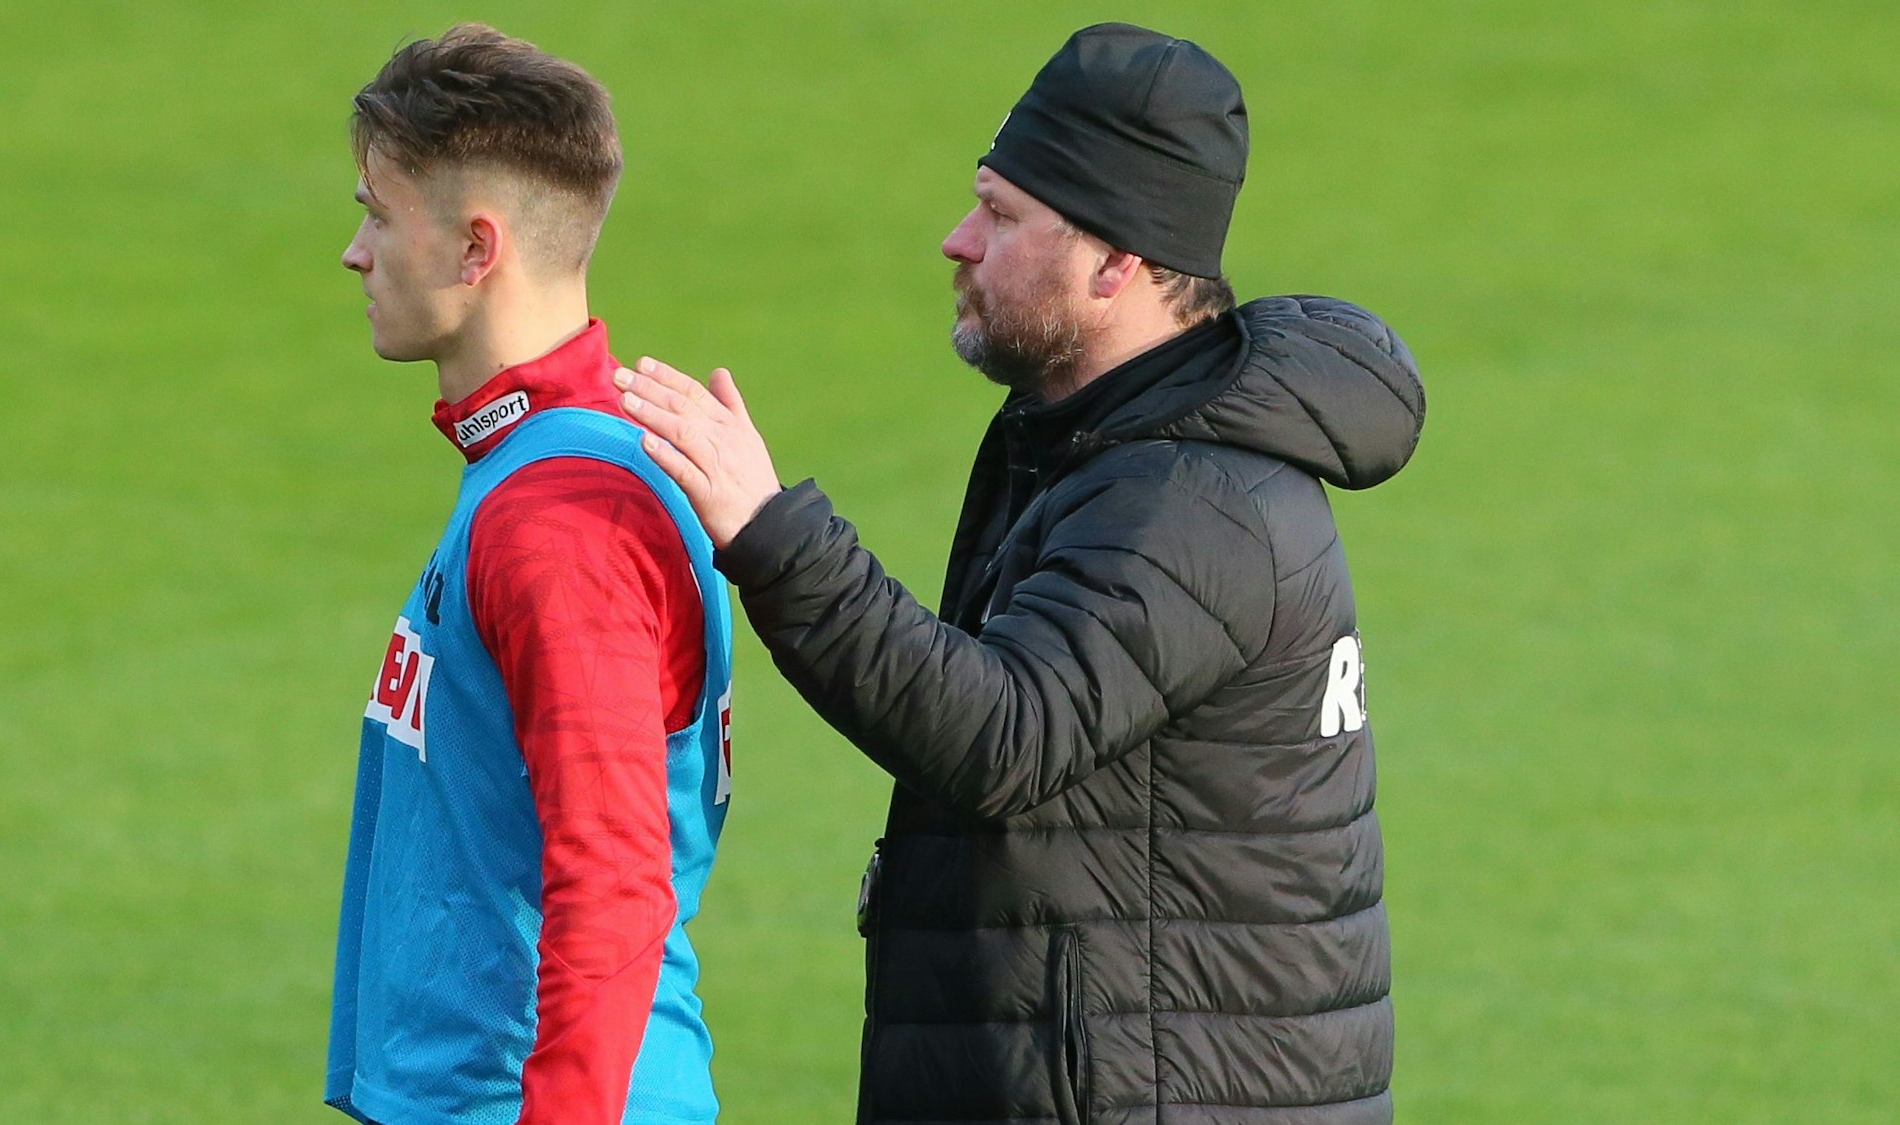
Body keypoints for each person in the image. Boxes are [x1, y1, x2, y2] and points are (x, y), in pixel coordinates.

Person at [615, 22, 1425, 1125]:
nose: (956, 240)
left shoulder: (1191, 501)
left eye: (1000, 215)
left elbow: (1004, 736)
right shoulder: (1100, 446)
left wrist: (769, 531)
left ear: (1115, 262)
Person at [325, 25, 733, 1125]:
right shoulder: (543, 466)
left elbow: (613, 876)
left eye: (377, 214)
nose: (355, 252)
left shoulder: (561, 519)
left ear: (474, 249)